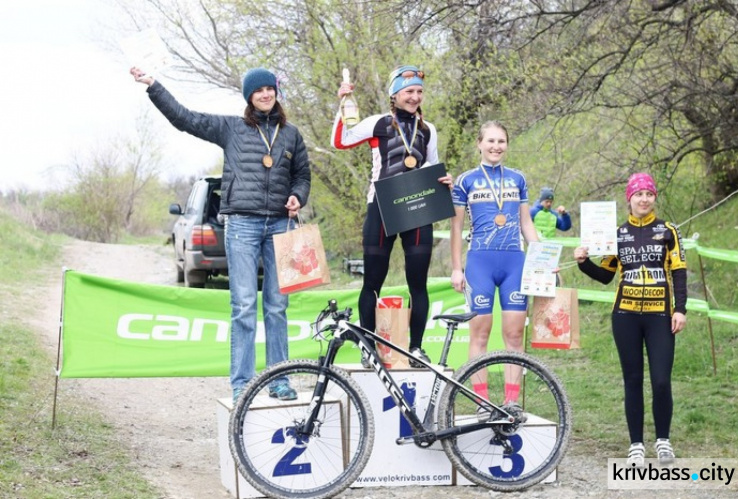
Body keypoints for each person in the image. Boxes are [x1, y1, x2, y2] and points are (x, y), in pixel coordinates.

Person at [130, 67, 311, 402]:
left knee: (277, 306)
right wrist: (154, 86)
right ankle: (242, 384)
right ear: (249, 96)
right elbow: (185, 118)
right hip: (242, 224)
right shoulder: (231, 128)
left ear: (276, 93)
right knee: (243, 305)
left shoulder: (292, 135)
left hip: (281, 226)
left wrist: (298, 196)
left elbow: (302, 175)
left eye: (270, 89)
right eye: (258, 91)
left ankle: (279, 381)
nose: (265, 95)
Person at [330, 65, 453, 367]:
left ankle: (416, 349)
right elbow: (341, 141)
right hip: (382, 209)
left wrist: (444, 181)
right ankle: (368, 347)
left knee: (418, 283)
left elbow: (430, 168)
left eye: (419, 92)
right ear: (394, 94)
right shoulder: (378, 123)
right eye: (409, 91)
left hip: (418, 208)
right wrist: (341, 104)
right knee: (372, 282)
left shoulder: (428, 129)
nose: (414, 97)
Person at [573, 172, 687, 467]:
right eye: (639, 194)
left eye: (649, 194)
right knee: (633, 380)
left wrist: (680, 309)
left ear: (654, 198)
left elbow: (679, 272)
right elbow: (606, 276)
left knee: (661, 381)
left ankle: (663, 440)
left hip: (660, 316)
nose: (644, 199)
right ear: (629, 199)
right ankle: (636, 443)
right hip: (625, 316)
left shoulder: (668, 231)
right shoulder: (617, 234)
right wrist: (584, 263)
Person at [450, 120, 540, 411]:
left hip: (515, 260)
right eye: (490, 141)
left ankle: (512, 401)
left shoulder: (518, 178)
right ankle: (482, 401)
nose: (496, 147)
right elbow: (456, 226)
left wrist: (541, 260)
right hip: (480, 262)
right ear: (479, 144)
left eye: (501, 141)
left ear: (507, 145)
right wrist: (455, 268)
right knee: (480, 333)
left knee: (514, 335)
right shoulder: (466, 180)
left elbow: (526, 222)